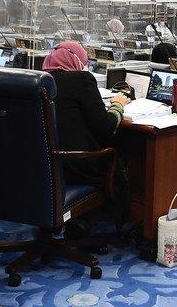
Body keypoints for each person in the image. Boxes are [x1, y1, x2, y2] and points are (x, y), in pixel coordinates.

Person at [42, 42, 130, 205]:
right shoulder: (82, 80)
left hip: (47, 166)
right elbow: (106, 127)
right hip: (78, 166)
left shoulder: (43, 82)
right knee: (120, 158)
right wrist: (118, 105)